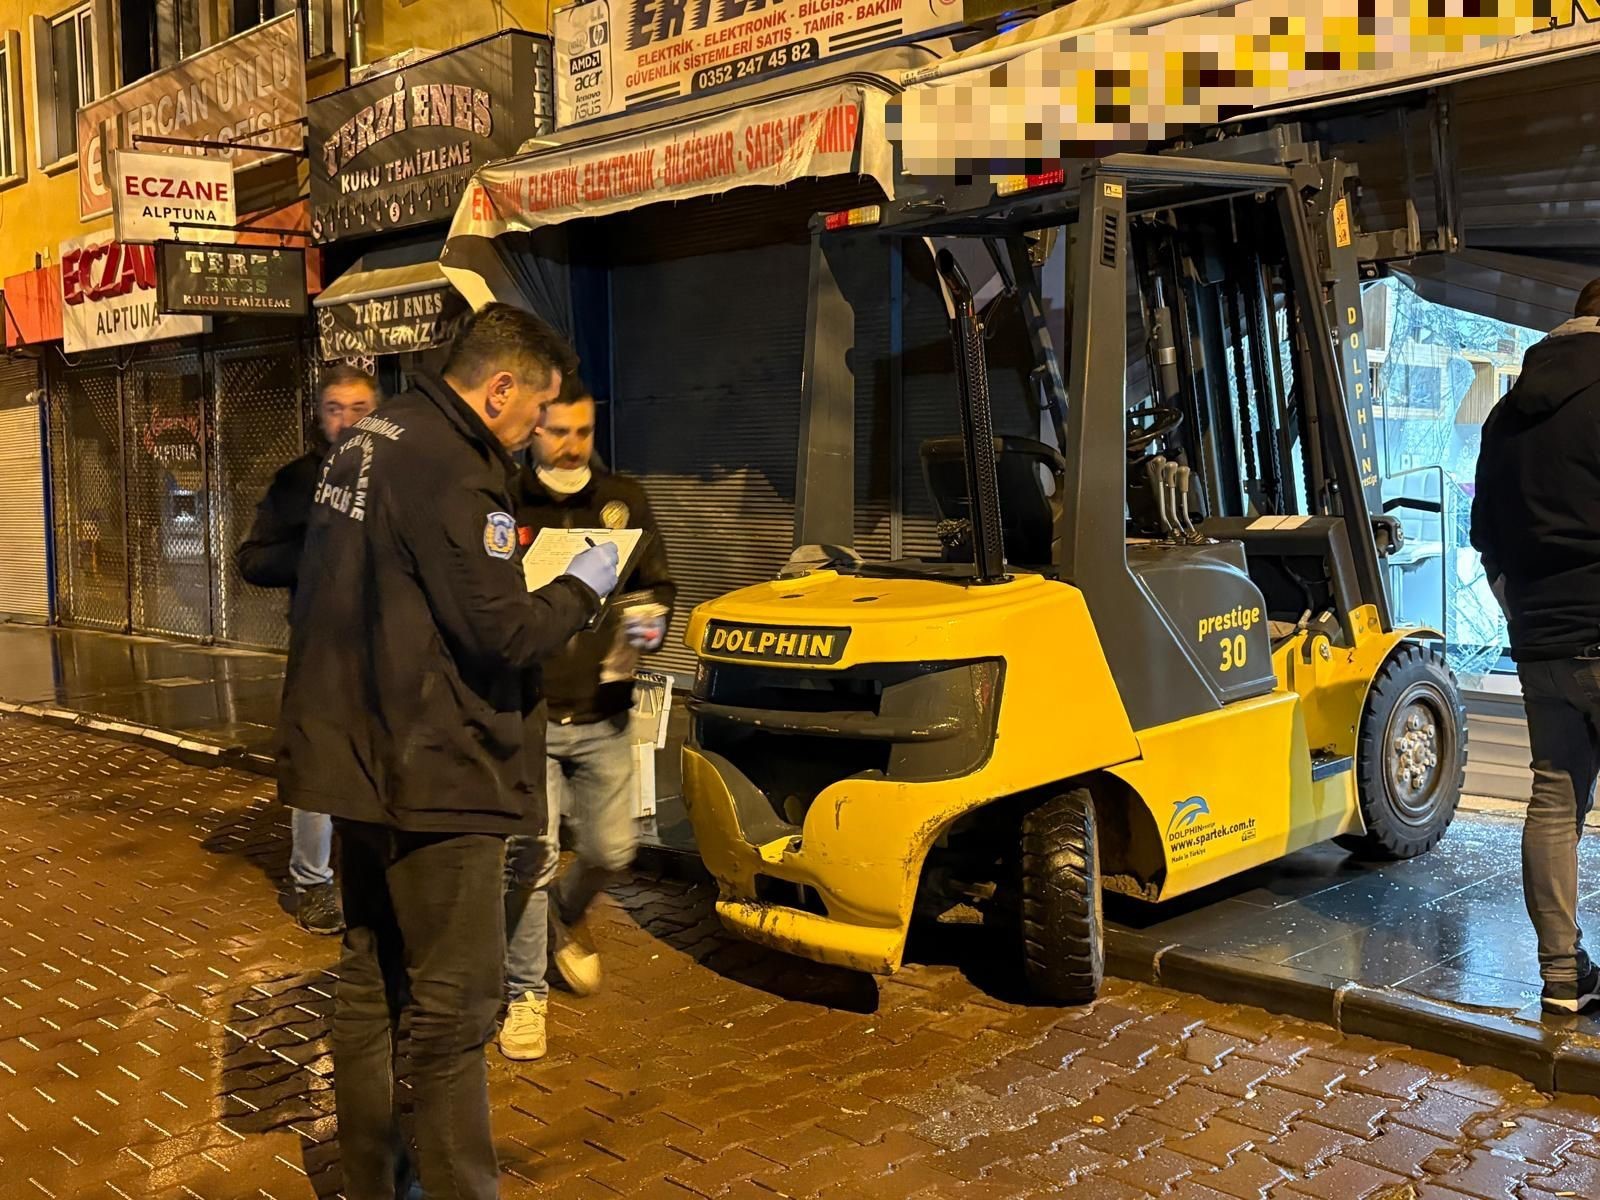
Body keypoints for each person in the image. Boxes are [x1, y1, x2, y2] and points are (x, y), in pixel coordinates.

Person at [277, 304, 621, 1200]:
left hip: (352, 758)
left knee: (367, 983)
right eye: (534, 413)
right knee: (455, 1010)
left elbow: (390, 582)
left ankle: (374, 1182)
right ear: (499, 388)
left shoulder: (374, 435)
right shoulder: (458, 466)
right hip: (436, 767)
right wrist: (584, 584)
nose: (535, 436)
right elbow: (503, 634)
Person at [498, 383, 675, 1061]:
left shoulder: (624, 497)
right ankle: (525, 996)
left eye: (583, 430)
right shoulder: (507, 502)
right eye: (558, 432)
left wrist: (648, 624)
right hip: (532, 714)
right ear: (531, 433)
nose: (573, 445)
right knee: (530, 862)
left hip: (606, 711)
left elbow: (655, 581)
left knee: (612, 852)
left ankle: (563, 920)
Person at [1471, 277, 1600, 1015]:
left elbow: (1487, 538)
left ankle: (1561, 976)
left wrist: (1528, 616)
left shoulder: (1503, 416)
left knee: (1554, 802)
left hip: (1541, 641)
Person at [238, 362, 379, 935]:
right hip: (321, 651)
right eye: (334, 409)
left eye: (360, 410)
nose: (346, 422)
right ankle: (311, 884)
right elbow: (253, 559)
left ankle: (376, 876)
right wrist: (314, 543)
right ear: (319, 415)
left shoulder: (401, 473)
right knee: (318, 769)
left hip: (388, 650)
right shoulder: (296, 482)